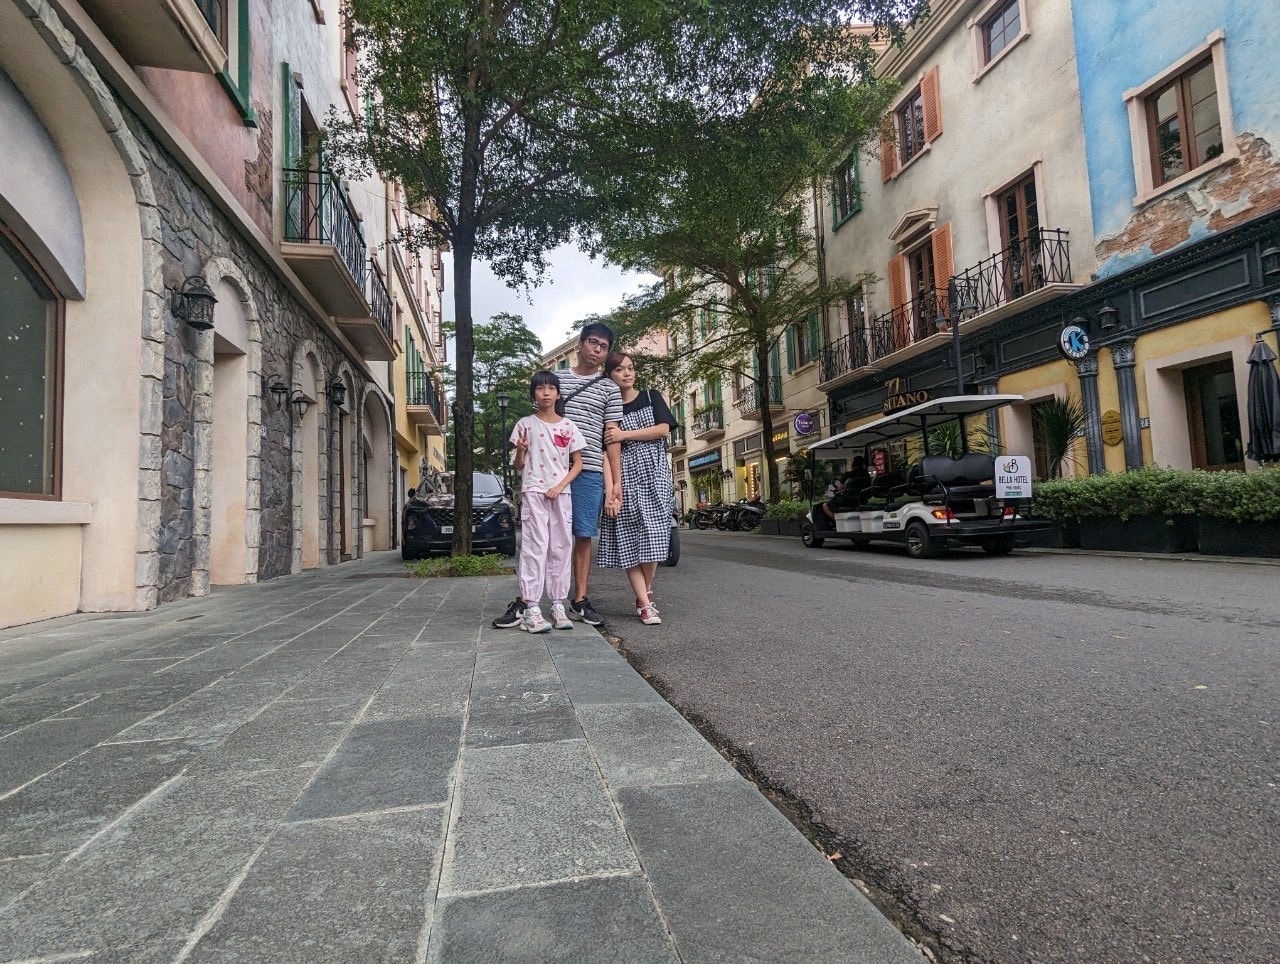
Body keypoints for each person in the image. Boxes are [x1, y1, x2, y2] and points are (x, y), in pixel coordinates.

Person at [492, 323, 622, 629]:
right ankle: (528, 603)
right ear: (580, 343)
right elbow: (538, 424)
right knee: (539, 539)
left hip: (587, 468)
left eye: (604, 346)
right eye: (593, 342)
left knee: (581, 535)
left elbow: (612, 437)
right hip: (546, 475)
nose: (597, 349)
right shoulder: (557, 380)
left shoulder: (609, 388)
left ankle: (576, 601)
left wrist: (616, 483)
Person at [597, 352, 676, 625]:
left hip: (655, 474)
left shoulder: (651, 397)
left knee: (655, 538)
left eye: (630, 368)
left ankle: (645, 592)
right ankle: (644, 603)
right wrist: (611, 490)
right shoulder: (608, 407)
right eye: (619, 370)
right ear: (609, 375)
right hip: (624, 476)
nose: (627, 373)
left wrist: (624, 434)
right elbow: (606, 452)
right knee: (628, 538)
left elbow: (663, 430)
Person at [506, 371, 585, 633]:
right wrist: (521, 449)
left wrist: (560, 486)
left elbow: (578, 464)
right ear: (534, 394)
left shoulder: (568, 426)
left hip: (560, 494)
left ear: (558, 394)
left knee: (561, 547)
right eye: (541, 388)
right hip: (533, 491)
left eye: (551, 388)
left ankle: (558, 604)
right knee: (534, 547)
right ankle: (531, 608)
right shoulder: (524, 425)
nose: (546, 393)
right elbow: (518, 466)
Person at [822, 455, 871, 522]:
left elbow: (839, 488)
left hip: (848, 501)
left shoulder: (848, 475)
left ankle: (838, 523)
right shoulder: (867, 475)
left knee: (825, 506)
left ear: (853, 464)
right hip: (863, 500)